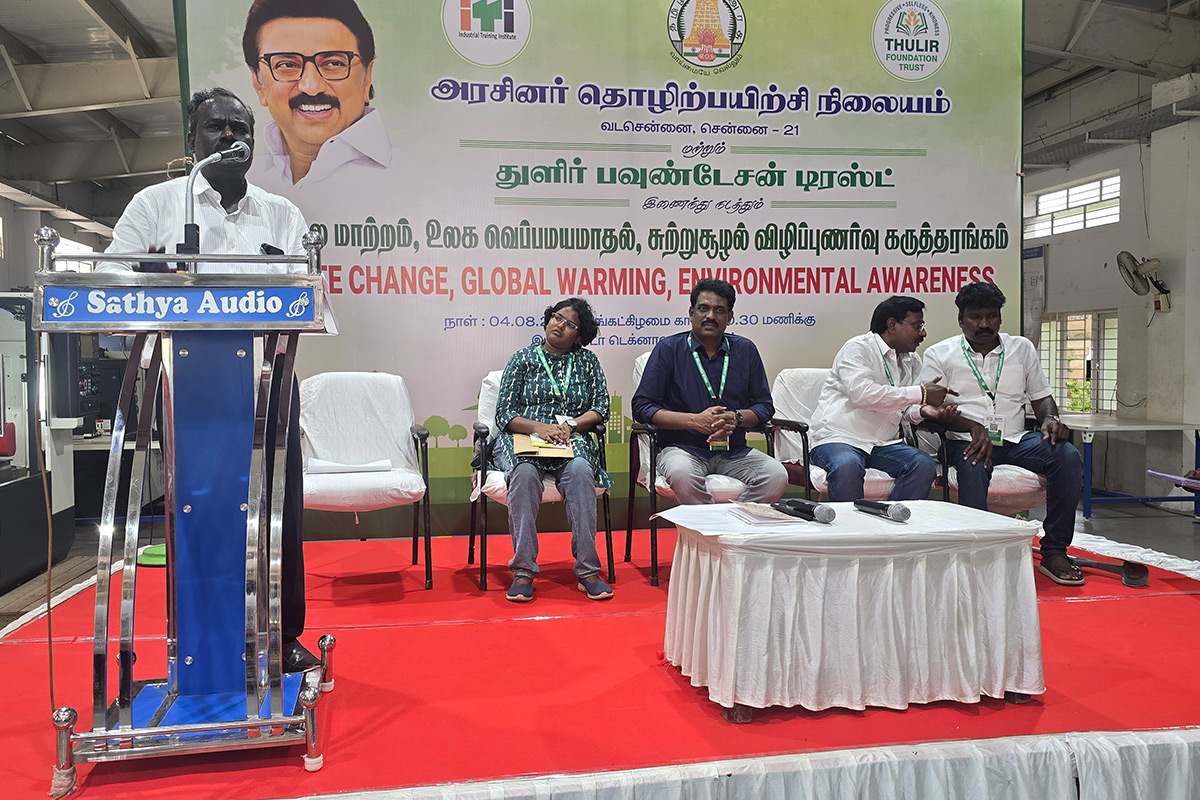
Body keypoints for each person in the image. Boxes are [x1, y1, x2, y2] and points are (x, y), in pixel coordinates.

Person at [101, 87, 320, 670]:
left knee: (276, 509)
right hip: (187, 385)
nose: (230, 136)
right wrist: (156, 281)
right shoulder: (156, 204)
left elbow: (308, 294)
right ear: (191, 139)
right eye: (217, 127)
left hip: (270, 375)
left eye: (240, 128)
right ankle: (203, 641)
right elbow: (109, 280)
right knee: (197, 510)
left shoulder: (282, 214)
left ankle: (281, 636)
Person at [921, 282, 1085, 585]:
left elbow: (1041, 397)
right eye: (975, 317)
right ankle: (976, 554)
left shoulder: (1021, 348)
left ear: (999, 317)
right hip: (964, 439)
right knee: (973, 464)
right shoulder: (939, 354)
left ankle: (1054, 551)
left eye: (991, 316)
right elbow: (928, 407)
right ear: (961, 319)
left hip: (1016, 440)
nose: (984, 324)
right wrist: (965, 424)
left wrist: (1050, 419)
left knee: (1067, 455)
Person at [493, 298, 614, 603]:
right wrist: (539, 428)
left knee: (581, 471)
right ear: (548, 319)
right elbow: (504, 414)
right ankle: (523, 571)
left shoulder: (588, 362)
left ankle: (588, 571)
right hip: (526, 439)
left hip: (570, 439)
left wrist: (571, 425)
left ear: (579, 335)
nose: (560, 325)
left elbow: (602, 407)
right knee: (524, 474)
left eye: (570, 324)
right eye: (557, 317)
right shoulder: (522, 358)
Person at [631, 278, 788, 505]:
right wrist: (695, 421)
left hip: (733, 451)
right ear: (691, 312)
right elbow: (643, 407)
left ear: (730, 317)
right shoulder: (669, 349)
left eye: (719, 310)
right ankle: (709, 526)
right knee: (682, 474)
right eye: (703, 308)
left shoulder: (746, 350)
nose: (711, 316)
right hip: (682, 449)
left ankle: (734, 521)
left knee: (776, 476)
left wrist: (736, 418)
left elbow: (764, 406)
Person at [809, 295, 960, 501]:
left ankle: (895, 519)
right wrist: (922, 393)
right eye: (917, 325)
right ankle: (852, 524)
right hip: (840, 438)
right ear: (892, 325)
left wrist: (924, 411)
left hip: (882, 444)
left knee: (923, 464)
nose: (923, 333)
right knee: (847, 465)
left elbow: (902, 408)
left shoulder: (912, 360)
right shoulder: (858, 348)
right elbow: (864, 395)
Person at [242, 0, 391, 193]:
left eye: (333, 63)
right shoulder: (242, 184)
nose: (311, 87)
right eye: (287, 65)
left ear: (367, 78)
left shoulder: (412, 179)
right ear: (258, 83)